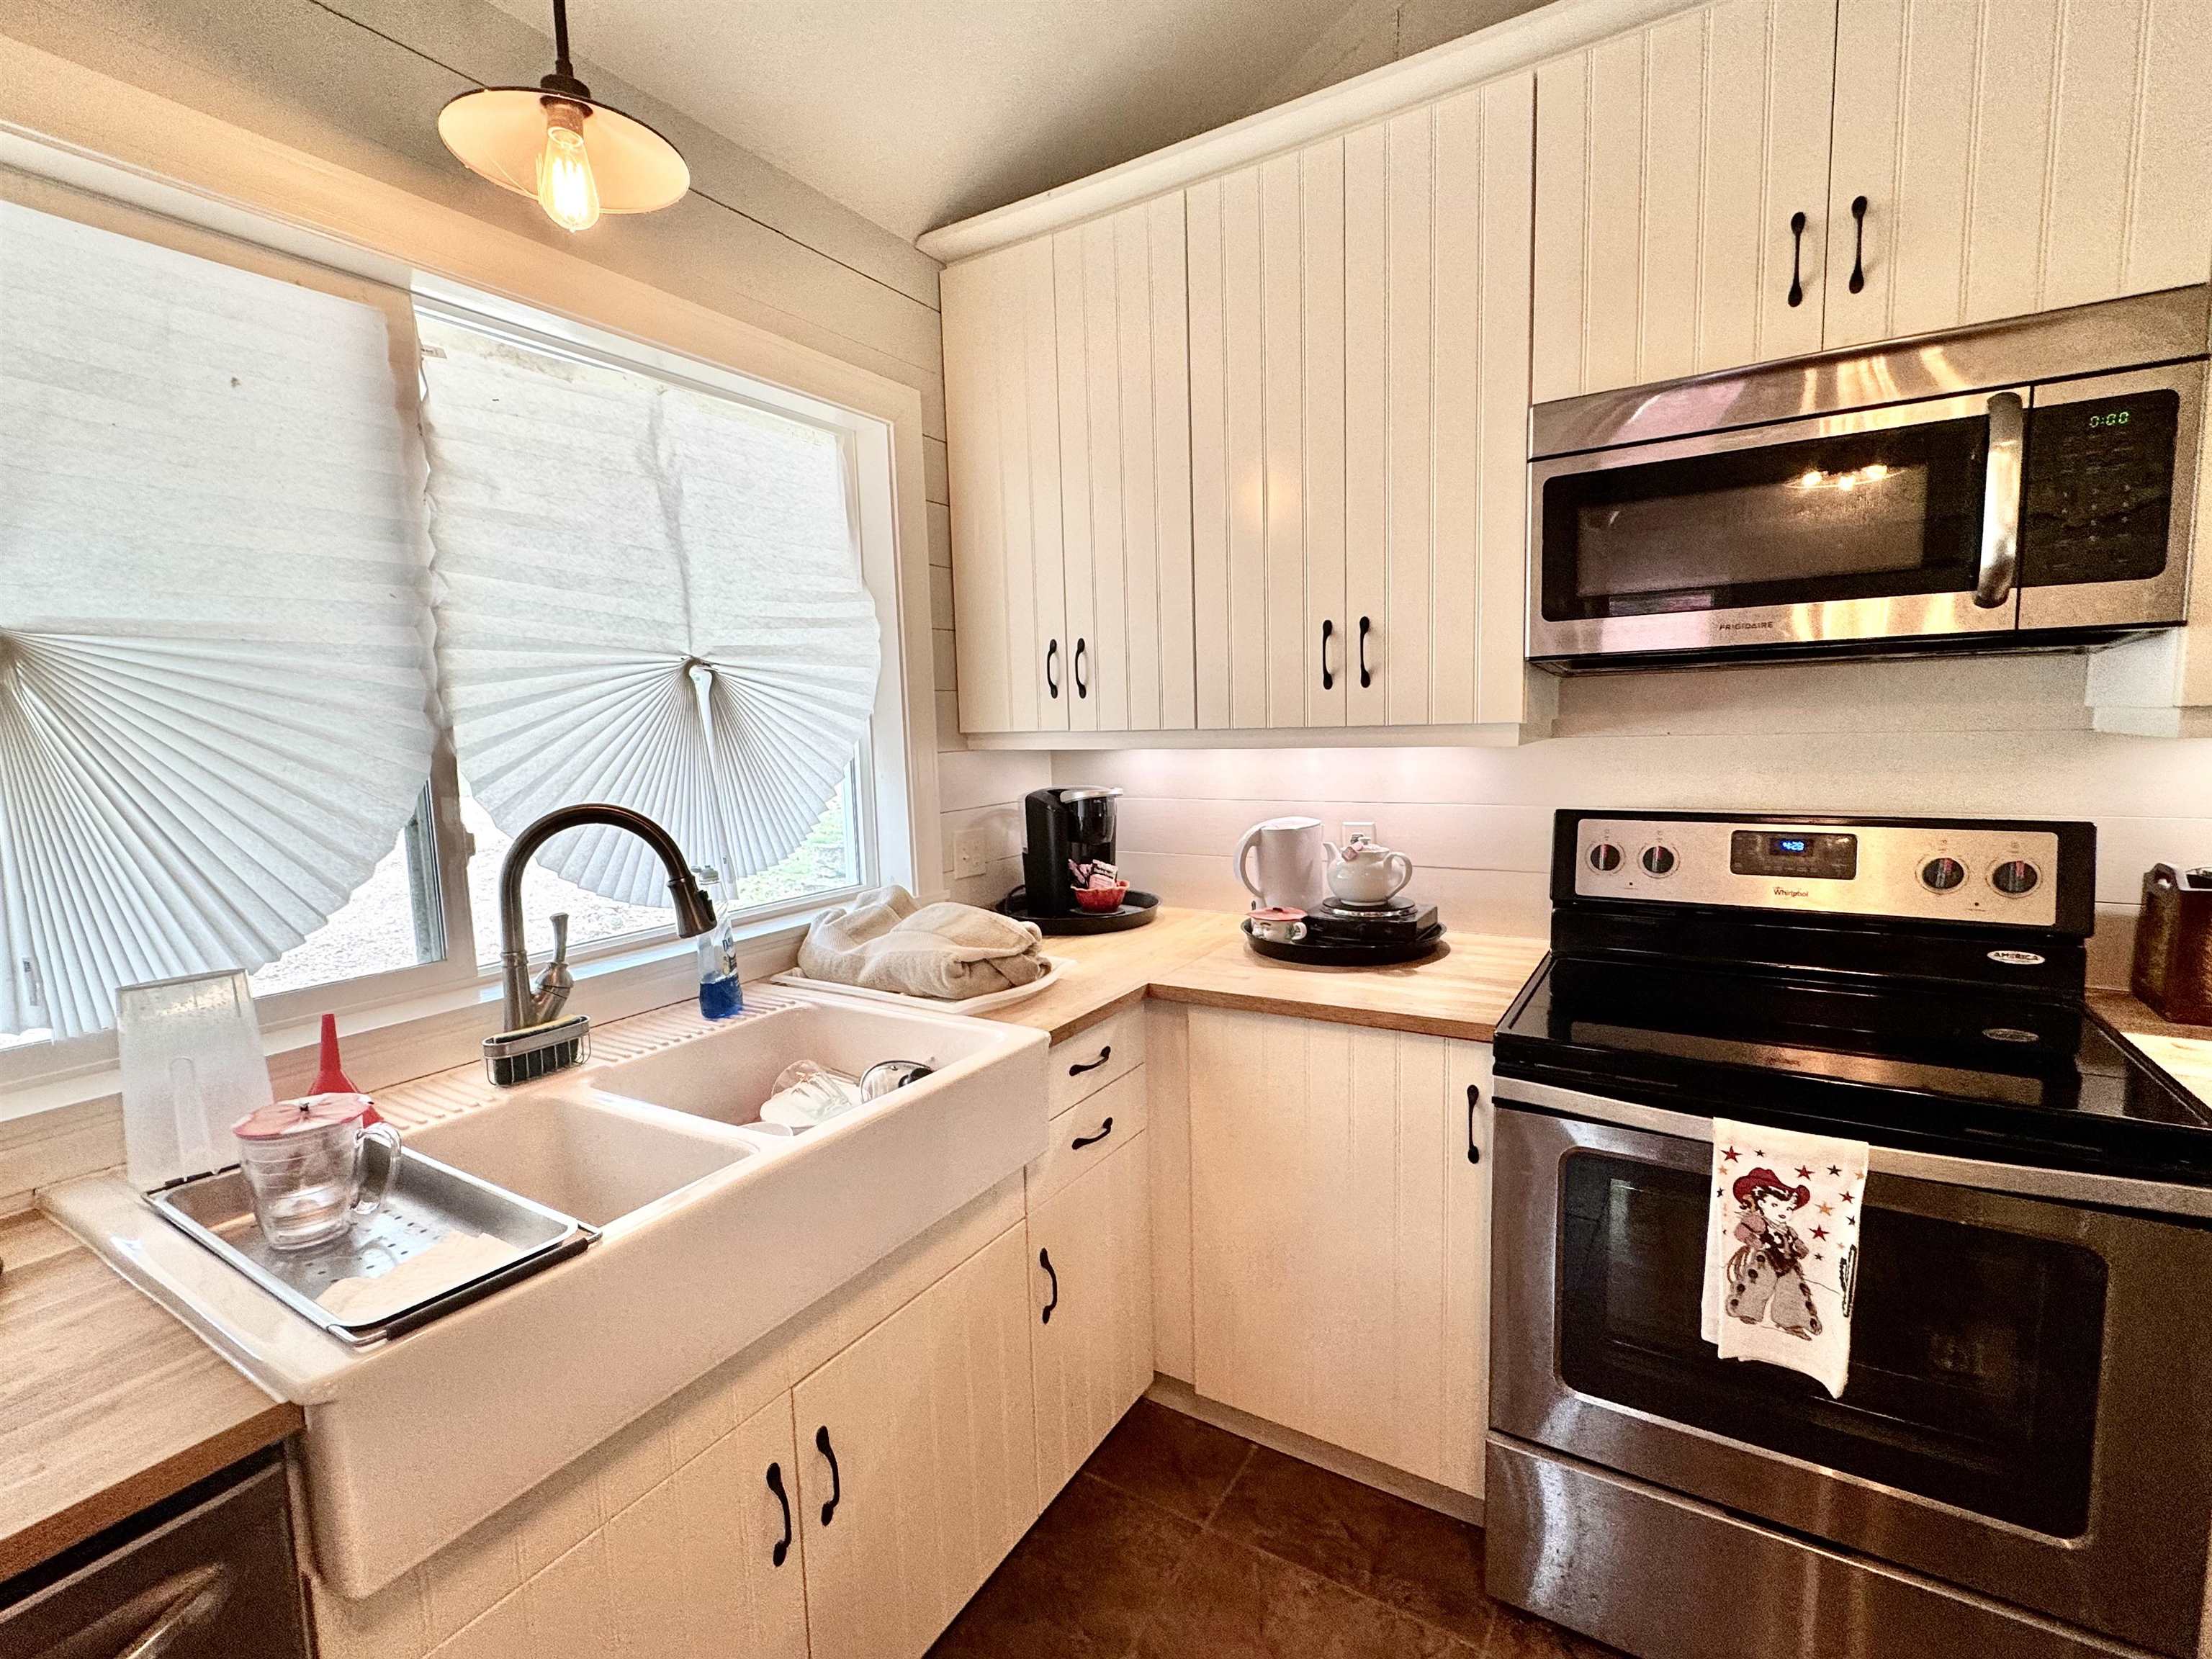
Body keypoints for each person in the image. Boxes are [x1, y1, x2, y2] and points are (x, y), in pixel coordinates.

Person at [1724, 1167, 1822, 1339]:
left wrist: (1800, 1247)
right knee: (1757, 1285)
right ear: (1762, 1204)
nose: (1783, 1212)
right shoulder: (1759, 1222)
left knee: (1792, 1291)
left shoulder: (1788, 1230)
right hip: (1766, 1260)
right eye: (1775, 1205)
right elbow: (1741, 1231)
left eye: (1789, 1208)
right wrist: (1752, 1240)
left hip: (1789, 1263)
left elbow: (1795, 1240)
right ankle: (1746, 1311)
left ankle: (1792, 1320)